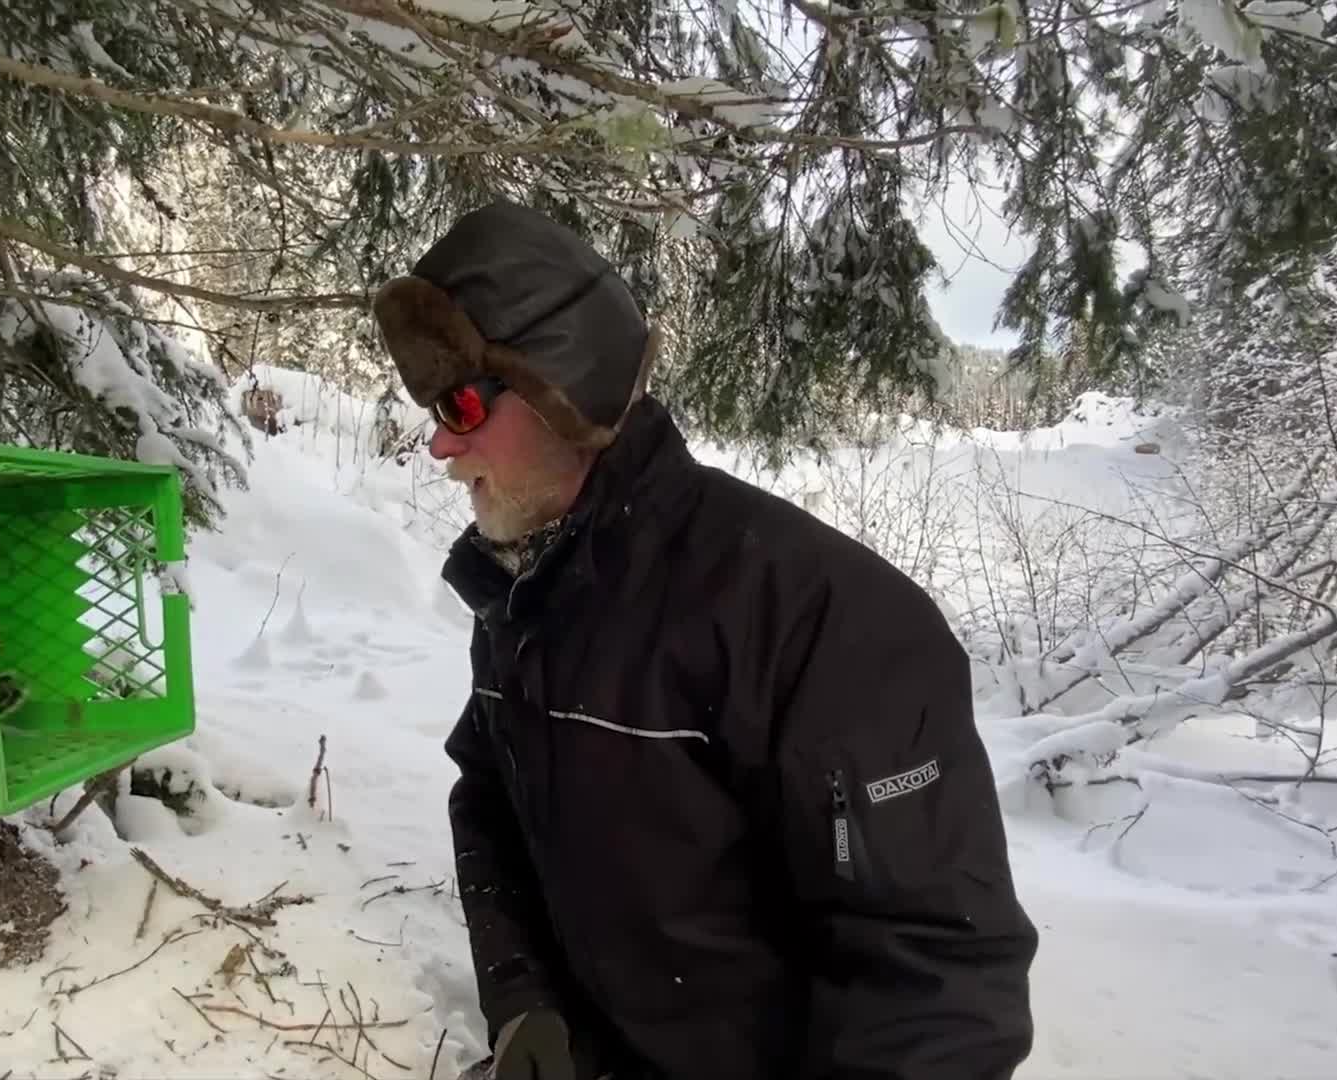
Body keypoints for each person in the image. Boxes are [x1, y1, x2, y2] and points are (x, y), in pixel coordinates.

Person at [371, 202, 1039, 1080]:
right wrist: (523, 995)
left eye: (460, 402)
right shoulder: (526, 589)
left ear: (554, 384)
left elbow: (935, 984)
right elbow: (490, 798)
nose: (439, 446)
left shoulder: (819, 616)